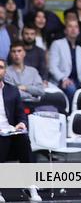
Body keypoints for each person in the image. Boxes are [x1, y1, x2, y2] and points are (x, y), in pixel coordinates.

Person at [0, 58, 42, 203]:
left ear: (5, 71)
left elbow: (21, 115)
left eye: (0, 67)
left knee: (23, 139)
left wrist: (22, 124)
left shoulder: (12, 91)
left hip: (10, 133)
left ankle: (30, 185)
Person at [48, 18, 81, 98]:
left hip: (77, 81)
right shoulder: (57, 44)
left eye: (76, 27)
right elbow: (52, 67)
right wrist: (63, 78)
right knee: (71, 89)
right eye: (70, 26)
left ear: (79, 31)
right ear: (65, 30)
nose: (73, 29)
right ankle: (70, 111)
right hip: (61, 80)